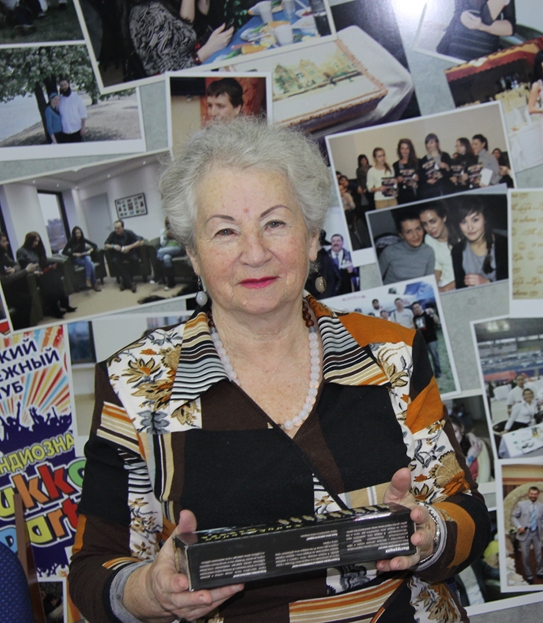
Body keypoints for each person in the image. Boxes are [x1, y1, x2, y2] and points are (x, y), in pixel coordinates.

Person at [69, 119, 489, 622]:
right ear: (194, 256)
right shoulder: (135, 383)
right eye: (225, 231)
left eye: (275, 224)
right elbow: (93, 571)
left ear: (312, 238)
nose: (255, 253)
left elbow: (466, 510)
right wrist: (152, 592)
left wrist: (430, 535)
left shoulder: (391, 352)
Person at [123, 0, 233, 77]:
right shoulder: (151, 13)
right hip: (186, 84)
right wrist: (206, 51)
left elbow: (185, 29)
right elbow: (173, 74)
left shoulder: (146, 7)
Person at [16, 232, 76, 319]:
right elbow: (24, 268)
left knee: (57, 278)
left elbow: (41, 263)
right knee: (48, 282)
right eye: (35, 241)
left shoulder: (35, 249)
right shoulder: (21, 251)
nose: (36, 243)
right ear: (29, 240)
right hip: (32, 276)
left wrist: (50, 266)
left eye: (38, 241)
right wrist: (34, 272)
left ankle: (65, 304)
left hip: (41, 273)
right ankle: (54, 309)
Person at [450, 198, 507, 288]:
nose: (470, 228)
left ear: (485, 219)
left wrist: (488, 283)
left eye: (475, 220)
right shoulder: (457, 251)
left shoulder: (504, 244)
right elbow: (460, 288)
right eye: (464, 222)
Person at [436, 0, 515, 62]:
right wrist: (484, 25)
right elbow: (486, 17)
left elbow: (510, 29)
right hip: (458, 47)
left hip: (484, 53)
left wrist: (482, 26)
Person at [378, 212, 435, 285]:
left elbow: (428, 282)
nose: (415, 236)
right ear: (401, 235)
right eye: (409, 232)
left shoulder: (428, 251)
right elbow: (375, 279)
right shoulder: (389, 252)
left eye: (418, 229)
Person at [0, 233, 39, 328]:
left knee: (26, 296)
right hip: (3, 292)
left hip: (8, 288)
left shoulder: (3, 254)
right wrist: (26, 271)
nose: (7, 243)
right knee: (25, 300)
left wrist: (14, 269)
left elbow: (16, 265)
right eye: (4, 241)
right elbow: (3, 280)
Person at [511, 486, 543, 585]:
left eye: (535, 494)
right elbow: (513, 516)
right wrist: (519, 527)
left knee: (539, 555)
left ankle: (540, 572)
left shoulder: (541, 506)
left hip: (537, 533)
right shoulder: (521, 504)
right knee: (525, 556)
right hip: (525, 533)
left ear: (538, 495)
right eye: (531, 494)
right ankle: (529, 575)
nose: (533, 496)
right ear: (528, 494)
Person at [419, 204, 457, 292]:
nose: (429, 228)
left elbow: (471, 270)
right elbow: (437, 267)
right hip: (444, 282)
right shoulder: (429, 239)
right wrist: (433, 286)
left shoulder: (461, 236)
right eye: (425, 224)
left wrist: (445, 289)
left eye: (433, 221)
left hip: (461, 283)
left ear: (444, 217)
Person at [103, 219, 144, 292]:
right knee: (115, 261)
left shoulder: (128, 232)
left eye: (118, 228)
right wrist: (113, 246)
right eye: (115, 228)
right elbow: (106, 244)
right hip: (119, 254)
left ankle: (125, 282)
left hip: (129, 252)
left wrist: (129, 247)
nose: (116, 230)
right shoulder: (113, 234)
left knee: (135, 259)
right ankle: (130, 282)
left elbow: (139, 240)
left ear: (123, 228)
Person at [62, 226, 102, 292]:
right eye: (76, 233)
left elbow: (95, 245)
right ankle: (94, 283)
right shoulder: (71, 241)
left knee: (88, 258)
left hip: (84, 255)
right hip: (76, 258)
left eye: (79, 233)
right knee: (91, 264)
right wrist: (74, 254)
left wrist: (90, 251)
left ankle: (88, 278)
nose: (78, 235)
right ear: (74, 234)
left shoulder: (82, 239)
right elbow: (64, 252)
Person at [412, 302, 442, 377]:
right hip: (422, 341)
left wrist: (433, 313)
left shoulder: (428, 313)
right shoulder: (415, 318)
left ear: (421, 306)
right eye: (414, 308)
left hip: (431, 339)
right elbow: (415, 329)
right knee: (425, 359)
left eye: (417, 307)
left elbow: (436, 321)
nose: (416, 309)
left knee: (434, 356)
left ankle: (438, 372)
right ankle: (429, 374)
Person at [152, 217, 183, 289]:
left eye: (170, 223)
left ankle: (158, 275)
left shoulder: (179, 230)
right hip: (167, 249)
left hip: (178, 248)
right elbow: (162, 244)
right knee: (166, 258)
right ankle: (171, 282)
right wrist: (166, 236)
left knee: (159, 251)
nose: (169, 225)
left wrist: (175, 236)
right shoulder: (163, 231)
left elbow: (183, 243)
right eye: (167, 224)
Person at [419, 133, 453, 199]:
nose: (429, 145)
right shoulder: (423, 160)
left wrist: (446, 167)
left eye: (431, 142)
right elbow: (421, 177)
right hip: (431, 191)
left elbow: (452, 173)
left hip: (445, 189)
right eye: (427, 143)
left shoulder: (445, 156)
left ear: (437, 143)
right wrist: (427, 180)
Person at [56, 79, 87, 143]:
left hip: (77, 129)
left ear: (68, 84)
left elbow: (83, 114)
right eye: (61, 86)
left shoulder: (77, 98)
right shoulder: (59, 100)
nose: (64, 87)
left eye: (65, 85)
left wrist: (83, 128)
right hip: (64, 131)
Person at [393, 138, 420, 204]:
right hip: (403, 198)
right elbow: (393, 183)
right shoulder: (395, 165)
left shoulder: (418, 162)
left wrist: (418, 177)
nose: (405, 151)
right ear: (399, 150)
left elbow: (423, 177)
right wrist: (397, 180)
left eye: (407, 148)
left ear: (410, 149)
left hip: (417, 196)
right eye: (402, 148)